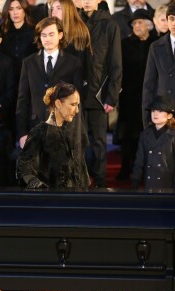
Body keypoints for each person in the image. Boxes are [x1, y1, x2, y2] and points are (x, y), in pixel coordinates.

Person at [16, 17, 83, 149]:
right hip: (35, 125)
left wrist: (75, 131)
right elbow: (22, 99)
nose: (47, 39)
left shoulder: (73, 63)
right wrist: (22, 133)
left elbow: (78, 102)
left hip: (64, 127)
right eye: (44, 35)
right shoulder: (29, 62)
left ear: (60, 35)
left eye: (51, 34)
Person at [79, 0, 122, 188]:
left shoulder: (110, 25)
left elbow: (116, 63)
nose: (87, 1)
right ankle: (79, 177)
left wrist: (112, 96)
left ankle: (100, 181)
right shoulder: (75, 23)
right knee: (77, 140)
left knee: (98, 141)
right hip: (76, 94)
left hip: (99, 92)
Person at [17, 81, 90, 190]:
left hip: (75, 199)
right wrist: (36, 183)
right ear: (58, 104)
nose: (77, 110)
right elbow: (24, 167)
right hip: (50, 201)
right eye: (73, 104)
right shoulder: (39, 133)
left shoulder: (71, 133)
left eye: (77, 105)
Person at [115, 9, 156, 180]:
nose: (136, 26)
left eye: (140, 22)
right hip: (129, 96)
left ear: (148, 25)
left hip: (150, 96)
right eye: (134, 24)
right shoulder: (124, 44)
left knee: (147, 132)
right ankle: (126, 167)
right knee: (127, 134)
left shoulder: (156, 43)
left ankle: (147, 168)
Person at [142, 1, 175, 128]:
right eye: (171, 19)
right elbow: (149, 85)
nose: (174, 23)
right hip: (163, 112)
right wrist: (147, 121)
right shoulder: (156, 47)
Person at [131, 95, 175, 189]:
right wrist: (135, 181)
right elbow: (139, 160)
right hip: (150, 183)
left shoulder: (173, 136)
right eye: (153, 111)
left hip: (168, 185)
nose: (155, 114)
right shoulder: (145, 135)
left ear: (169, 115)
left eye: (160, 111)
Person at [1, 0, 36, 83]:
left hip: (29, 78)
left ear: (25, 10)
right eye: (11, 9)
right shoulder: (2, 32)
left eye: (19, 8)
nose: (15, 12)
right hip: (7, 80)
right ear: (7, 11)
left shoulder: (34, 32)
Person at [50, 0, 91, 65]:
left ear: (68, 10)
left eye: (58, 8)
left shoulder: (79, 32)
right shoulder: (52, 31)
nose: (54, 12)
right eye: (52, 9)